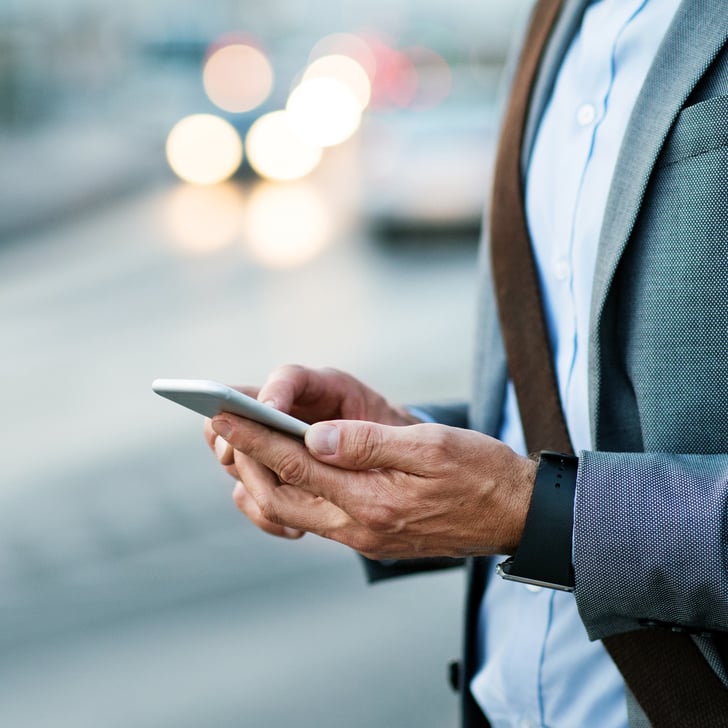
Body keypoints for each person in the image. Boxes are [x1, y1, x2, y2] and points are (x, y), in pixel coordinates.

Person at [203, 0, 728, 725]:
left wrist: (535, 513)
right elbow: (572, 409)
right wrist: (402, 446)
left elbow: (537, 499)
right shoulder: (554, 22)